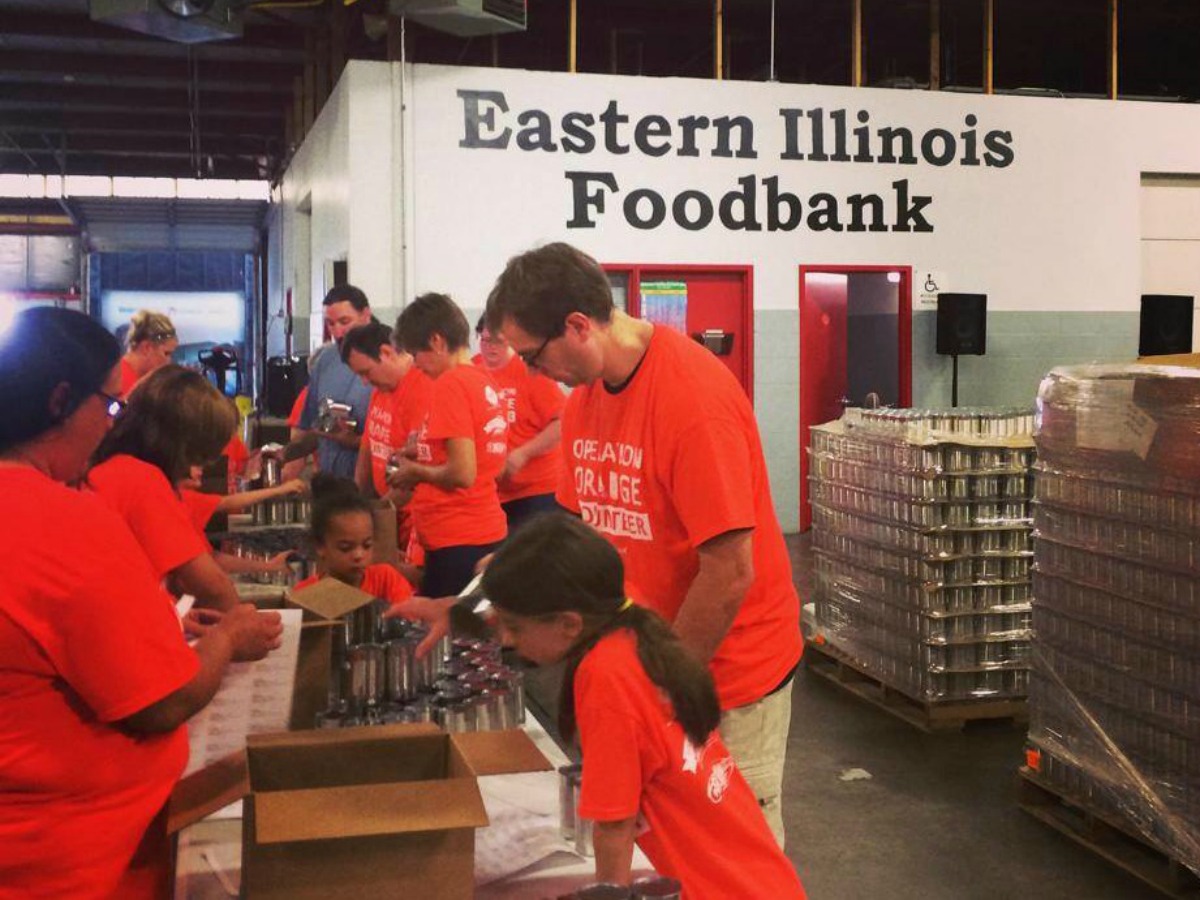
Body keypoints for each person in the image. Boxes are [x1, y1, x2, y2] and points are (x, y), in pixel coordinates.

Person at [486, 242, 802, 846]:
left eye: (532, 355)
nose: (530, 372)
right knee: (666, 844)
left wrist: (661, 687)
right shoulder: (582, 404)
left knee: (735, 847)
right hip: (652, 662)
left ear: (578, 326)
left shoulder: (692, 401)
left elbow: (730, 572)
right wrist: (487, 596)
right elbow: (576, 539)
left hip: (730, 675)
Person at [0, 307, 281, 898]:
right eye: (106, 405)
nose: (109, 425)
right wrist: (227, 639)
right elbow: (161, 702)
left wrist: (166, 630)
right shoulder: (53, 517)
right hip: (69, 861)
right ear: (59, 401)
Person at [480, 515, 806, 897]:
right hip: (758, 880)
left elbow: (615, 826)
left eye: (515, 627)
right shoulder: (628, 614)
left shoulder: (605, 679)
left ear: (569, 623)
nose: (506, 639)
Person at [87, 365, 248, 612]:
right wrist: (243, 628)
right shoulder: (140, 479)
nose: (198, 466)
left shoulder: (113, 470)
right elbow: (212, 587)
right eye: (200, 454)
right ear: (181, 444)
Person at [391, 292, 508, 596]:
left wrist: (415, 471)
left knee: (449, 636)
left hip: (459, 537)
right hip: (478, 530)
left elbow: (462, 473)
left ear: (437, 342)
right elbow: (476, 454)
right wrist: (422, 454)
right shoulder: (481, 379)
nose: (416, 366)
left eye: (417, 355)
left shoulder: (450, 384)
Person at [473, 314, 567, 532]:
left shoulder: (531, 372)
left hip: (537, 487)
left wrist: (523, 453)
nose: (490, 347)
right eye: (485, 340)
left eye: (498, 341)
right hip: (494, 489)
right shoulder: (473, 369)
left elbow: (561, 423)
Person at [341, 320, 434, 524]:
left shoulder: (421, 389)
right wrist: (357, 500)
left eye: (366, 372)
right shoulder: (381, 389)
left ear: (386, 352)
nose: (364, 382)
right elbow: (368, 446)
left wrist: (375, 515)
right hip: (390, 511)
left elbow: (415, 473)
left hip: (414, 517)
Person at [291, 285, 374, 479]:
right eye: (331, 324)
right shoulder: (325, 360)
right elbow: (311, 427)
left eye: (345, 321)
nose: (338, 332)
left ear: (366, 315)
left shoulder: (387, 361)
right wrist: (284, 455)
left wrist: (354, 441)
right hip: (331, 478)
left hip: (370, 481)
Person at [292, 474, 414, 604]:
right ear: (320, 546)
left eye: (367, 546)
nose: (358, 555)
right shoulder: (305, 593)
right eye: (346, 548)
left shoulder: (386, 580)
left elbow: (409, 617)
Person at [118, 309, 178, 398]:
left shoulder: (146, 381)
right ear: (146, 347)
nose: (169, 361)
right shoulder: (117, 380)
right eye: (166, 353)